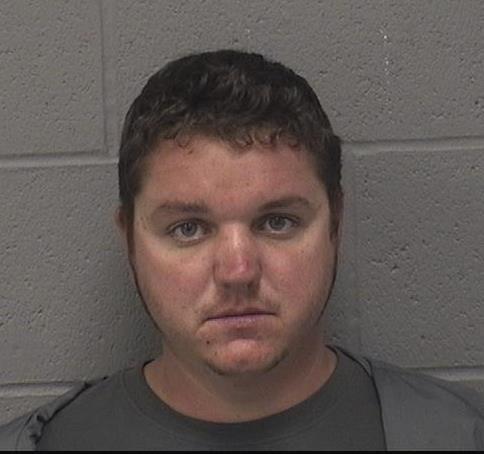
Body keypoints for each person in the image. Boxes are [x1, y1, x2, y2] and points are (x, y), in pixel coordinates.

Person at [1, 49, 483, 451]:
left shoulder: (459, 436)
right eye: (188, 229)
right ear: (129, 240)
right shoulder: (47, 443)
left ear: (336, 224)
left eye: (277, 222)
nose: (237, 271)